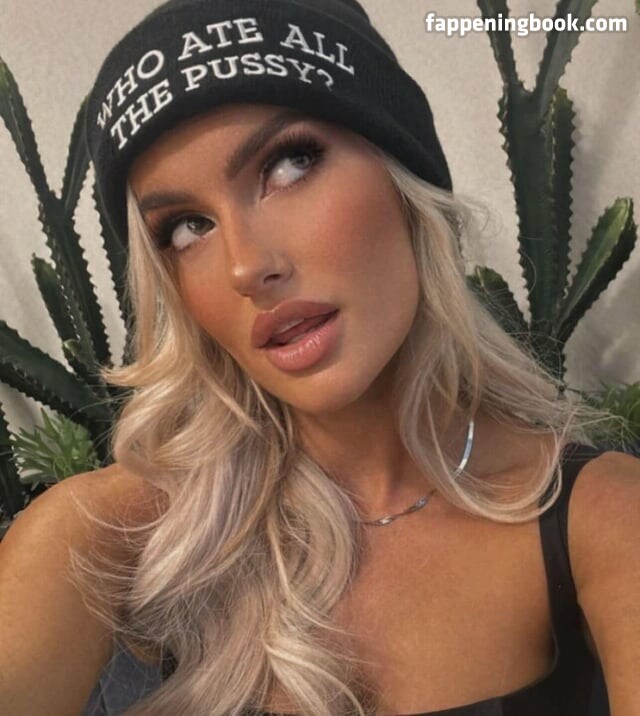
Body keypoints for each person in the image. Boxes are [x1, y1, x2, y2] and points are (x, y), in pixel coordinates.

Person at [1, 0, 639, 714]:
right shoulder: (104, 536)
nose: (246, 267)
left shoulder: (602, 515)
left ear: (404, 177)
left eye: (290, 164)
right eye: (186, 228)